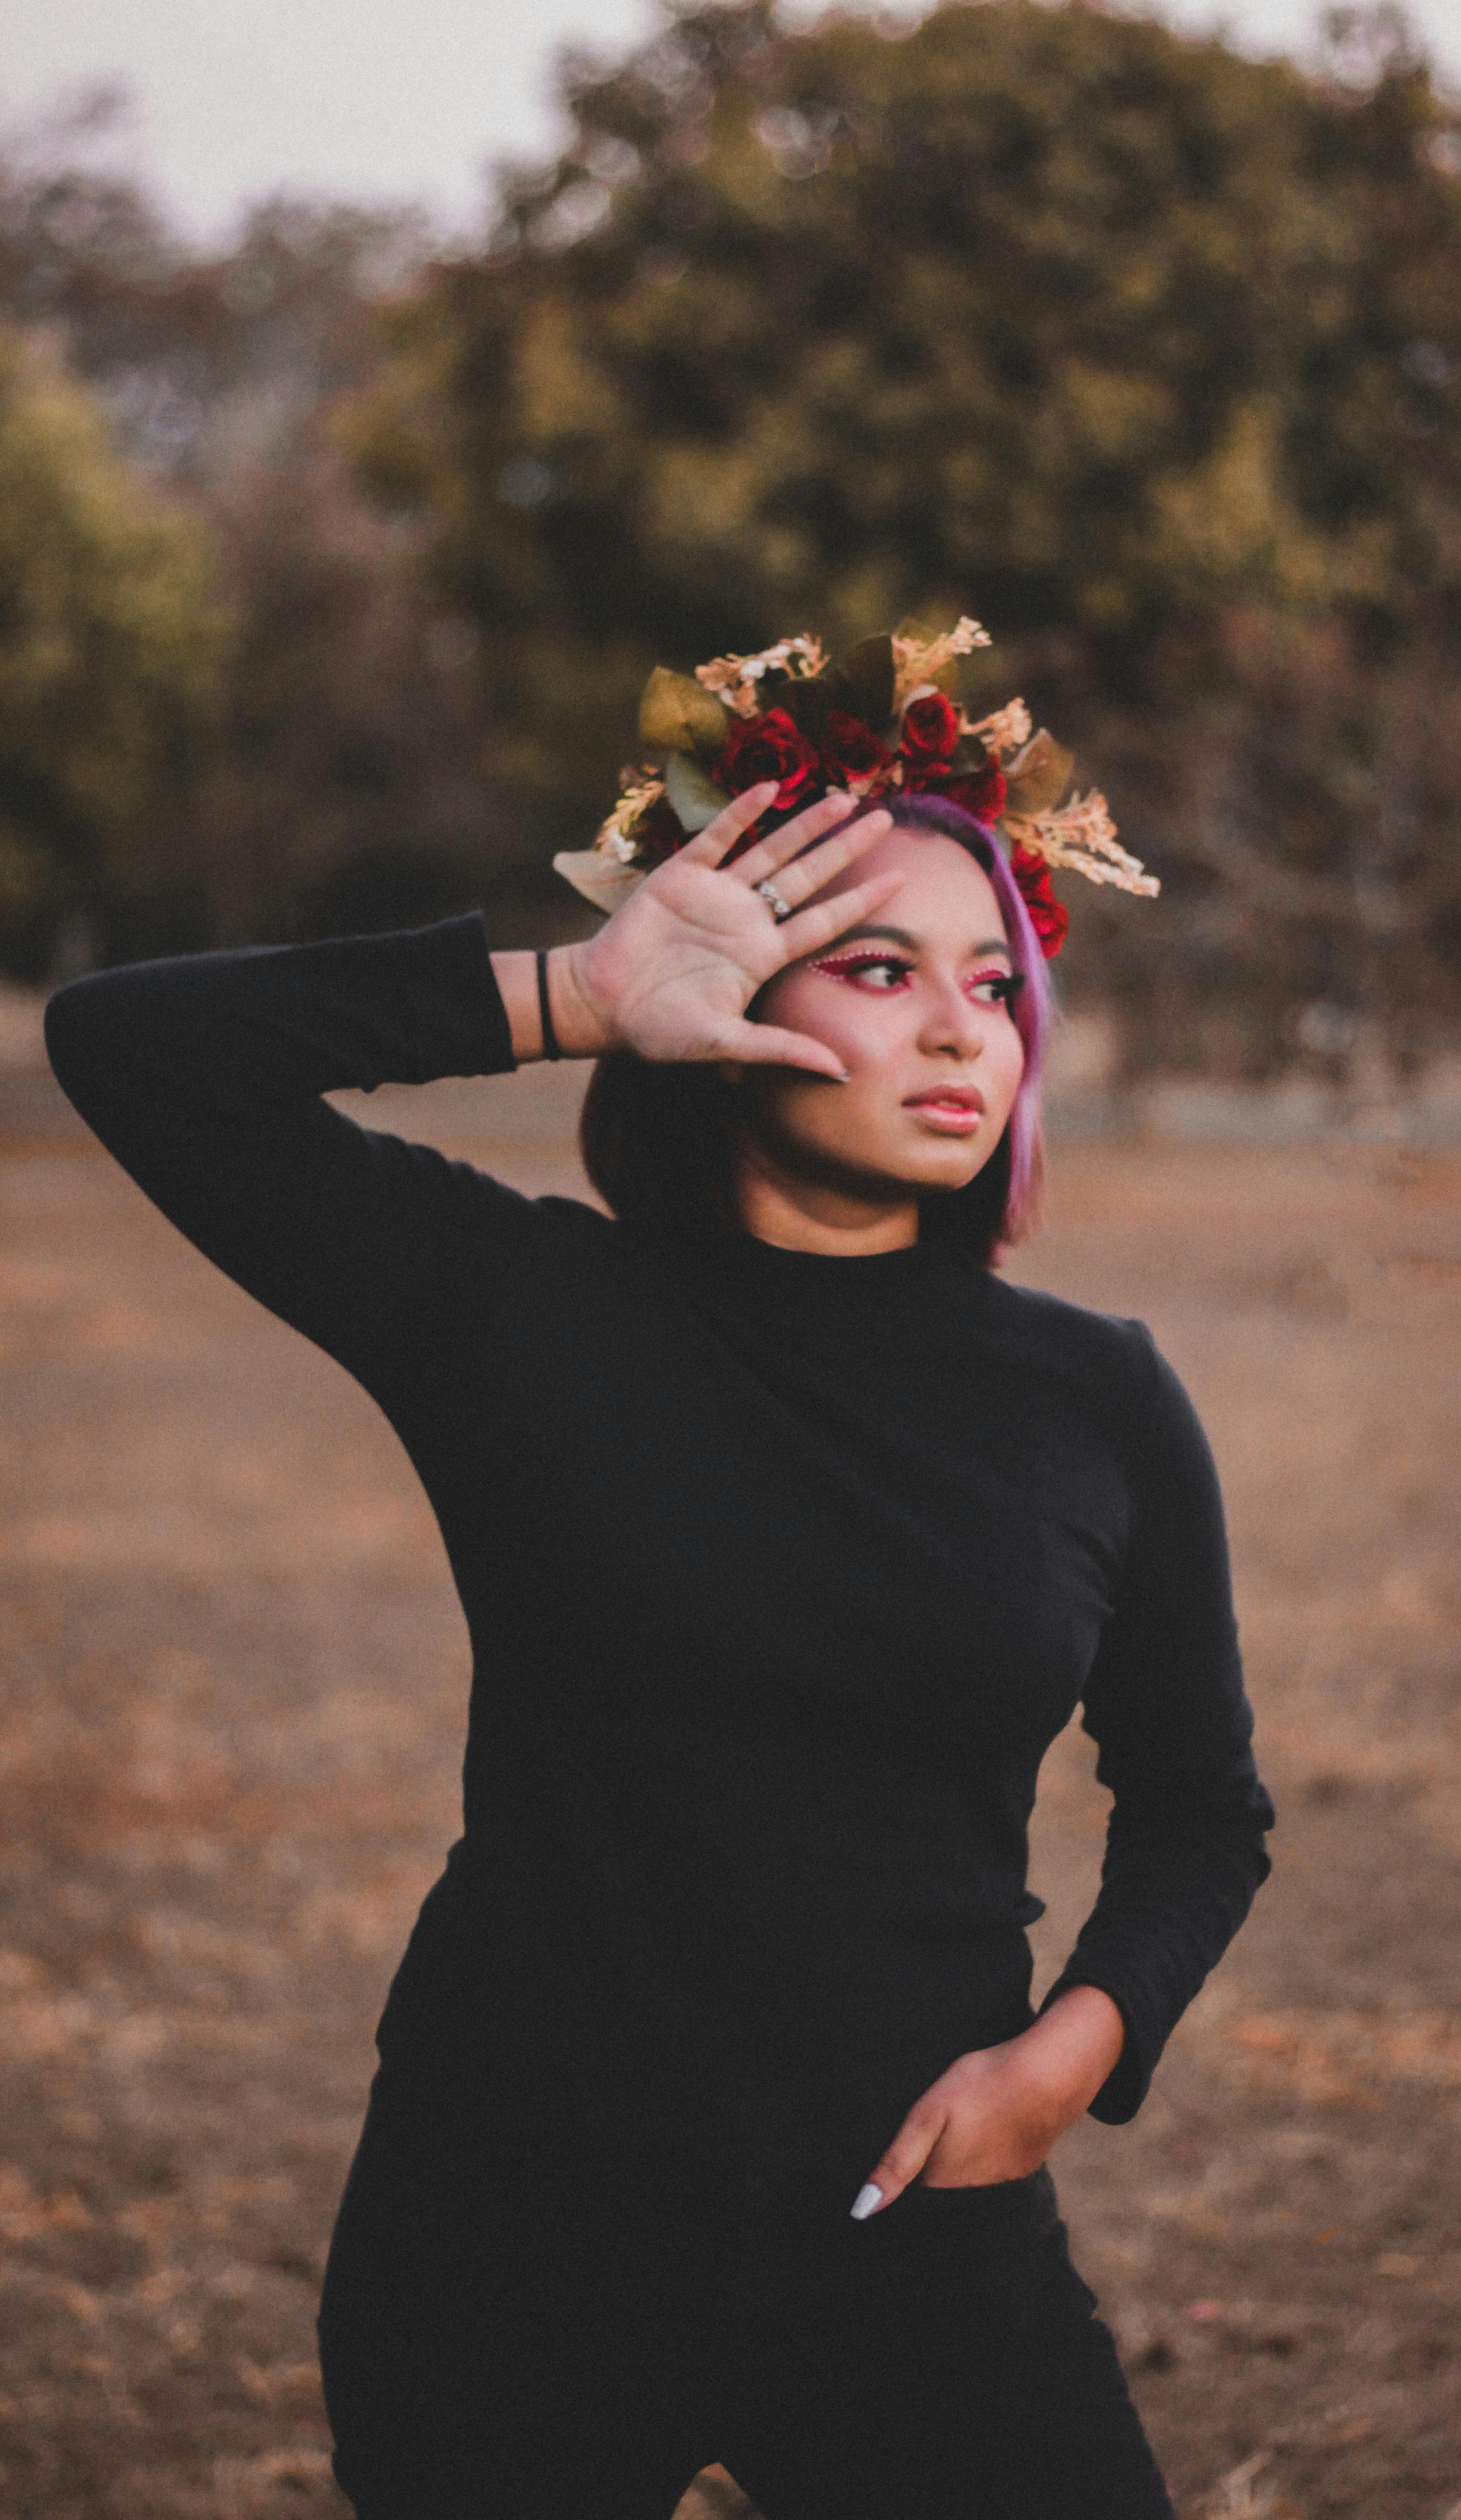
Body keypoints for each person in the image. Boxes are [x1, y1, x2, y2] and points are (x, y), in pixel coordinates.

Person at [45, 678, 1274, 2519]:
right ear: (733, 996)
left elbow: (1201, 1810)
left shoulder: (1100, 1398)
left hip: (913, 2220)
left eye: (998, 984)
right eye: (879, 970)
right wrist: (566, 998)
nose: (964, 1030)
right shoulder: (515, 1308)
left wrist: (1071, 2055)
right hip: (511, 2218)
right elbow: (131, 1047)